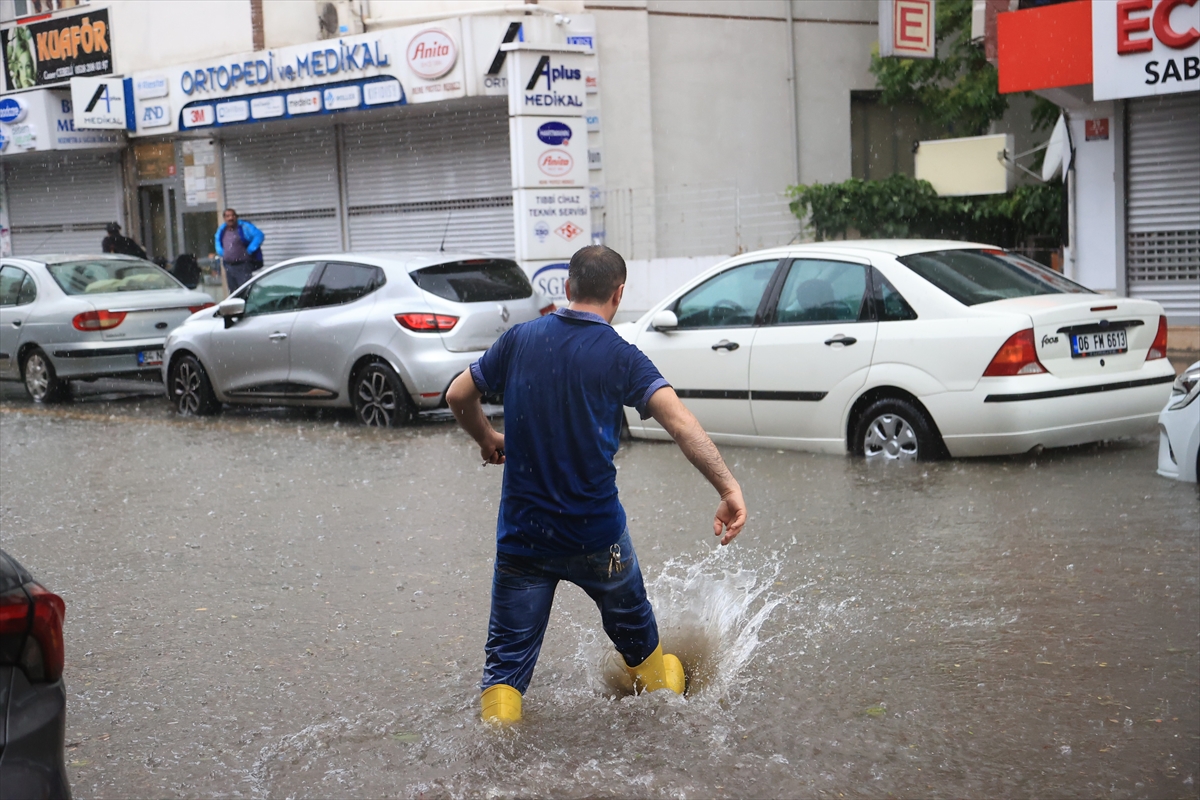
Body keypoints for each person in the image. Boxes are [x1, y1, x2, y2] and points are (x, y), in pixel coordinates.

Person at [446, 244, 748, 725]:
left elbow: (458, 393)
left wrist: (487, 438)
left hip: (523, 538)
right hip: (599, 540)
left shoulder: (519, 340)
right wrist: (727, 488)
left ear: (566, 289)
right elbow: (682, 424)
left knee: (503, 673)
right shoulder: (622, 357)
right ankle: (669, 729)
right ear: (619, 294)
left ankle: (494, 761)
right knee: (649, 663)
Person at [213, 208, 264, 293]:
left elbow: (259, 235)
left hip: (243, 265)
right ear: (224, 218)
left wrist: (250, 249)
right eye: (228, 216)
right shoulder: (222, 230)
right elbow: (217, 240)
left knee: (245, 291)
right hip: (229, 266)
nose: (230, 218)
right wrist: (221, 252)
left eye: (232, 215)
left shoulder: (244, 227)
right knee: (233, 292)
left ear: (236, 217)